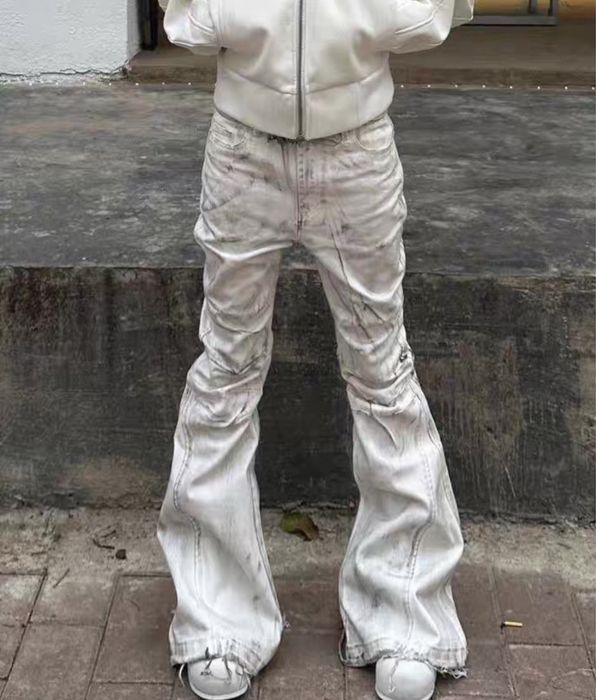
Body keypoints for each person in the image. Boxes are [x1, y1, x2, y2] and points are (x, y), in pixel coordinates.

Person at [156, 0, 474, 698]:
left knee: (382, 371)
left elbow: (429, 15)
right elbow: (184, 18)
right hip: (242, 145)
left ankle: (406, 615)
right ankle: (217, 621)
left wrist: (366, 19)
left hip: (357, 145)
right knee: (226, 369)